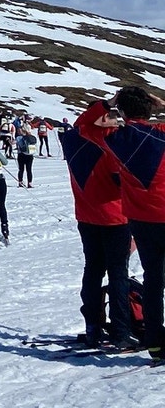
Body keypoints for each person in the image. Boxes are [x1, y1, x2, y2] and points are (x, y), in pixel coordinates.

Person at [78, 89, 165, 362]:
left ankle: (155, 344)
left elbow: (83, 125)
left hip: (141, 220)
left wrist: (108, 103)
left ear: (123, 113)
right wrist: (162, 103)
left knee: (153, 280)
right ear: (150, 109)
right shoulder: (161, 131)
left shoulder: (115, 139)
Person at [59, 113, 136, 348]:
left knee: (92, 270)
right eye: (111, 117)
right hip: (114, 218)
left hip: (86, 216)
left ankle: (92, 325)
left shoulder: (73, 141)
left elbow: (80, 124)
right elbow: (123, 185)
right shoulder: (110, 145)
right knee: (117, 274)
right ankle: (121, 331)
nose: (116, 121)